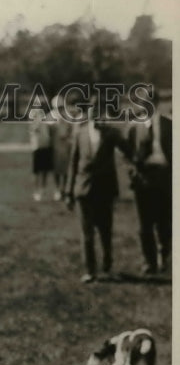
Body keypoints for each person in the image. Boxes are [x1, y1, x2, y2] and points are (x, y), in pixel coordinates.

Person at [64, 93, 130, 283]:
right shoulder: (80, 132)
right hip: (83, 190)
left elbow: (127, 149)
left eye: (99, 109)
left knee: (106, 231)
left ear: (104, 111)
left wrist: (113, 130)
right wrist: (69, 192)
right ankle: (90, 270)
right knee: (86, 234)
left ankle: (107, 266)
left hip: (105, 190)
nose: (95, 112)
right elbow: (73, 163)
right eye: (92, 109)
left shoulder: (110, 132)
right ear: (87, 111)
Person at [126, 87, 172, 276]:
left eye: (150, 102)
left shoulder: (169, 125)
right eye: (143, 102)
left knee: (164, 222)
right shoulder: (134, 126)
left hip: (164, 176)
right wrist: (133, 172)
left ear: (156, 103)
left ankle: (164, 254)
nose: (146, 106)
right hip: (144, 179)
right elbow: (127, 154)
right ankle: (149, 262)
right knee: (144, 224)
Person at [49, 93, 73, 202]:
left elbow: (72, 130)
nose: (59, 109)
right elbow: (47, 132)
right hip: (55, 146)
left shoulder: (68, 116)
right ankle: (57, 189)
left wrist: (68, 137)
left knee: (66, 169)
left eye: (61, 107)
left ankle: (65, 188)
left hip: (66, 145)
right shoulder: (50, 117)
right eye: (57, 107)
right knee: (56, 169)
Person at [28, 106, 53, 201]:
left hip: (46, 148)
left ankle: (42, 190)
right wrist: (37, 120)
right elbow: (33, 129)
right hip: (37, 149)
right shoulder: (34, 122)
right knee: (37, 172)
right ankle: (36, 191)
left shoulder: (46, 122)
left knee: (45, 171)